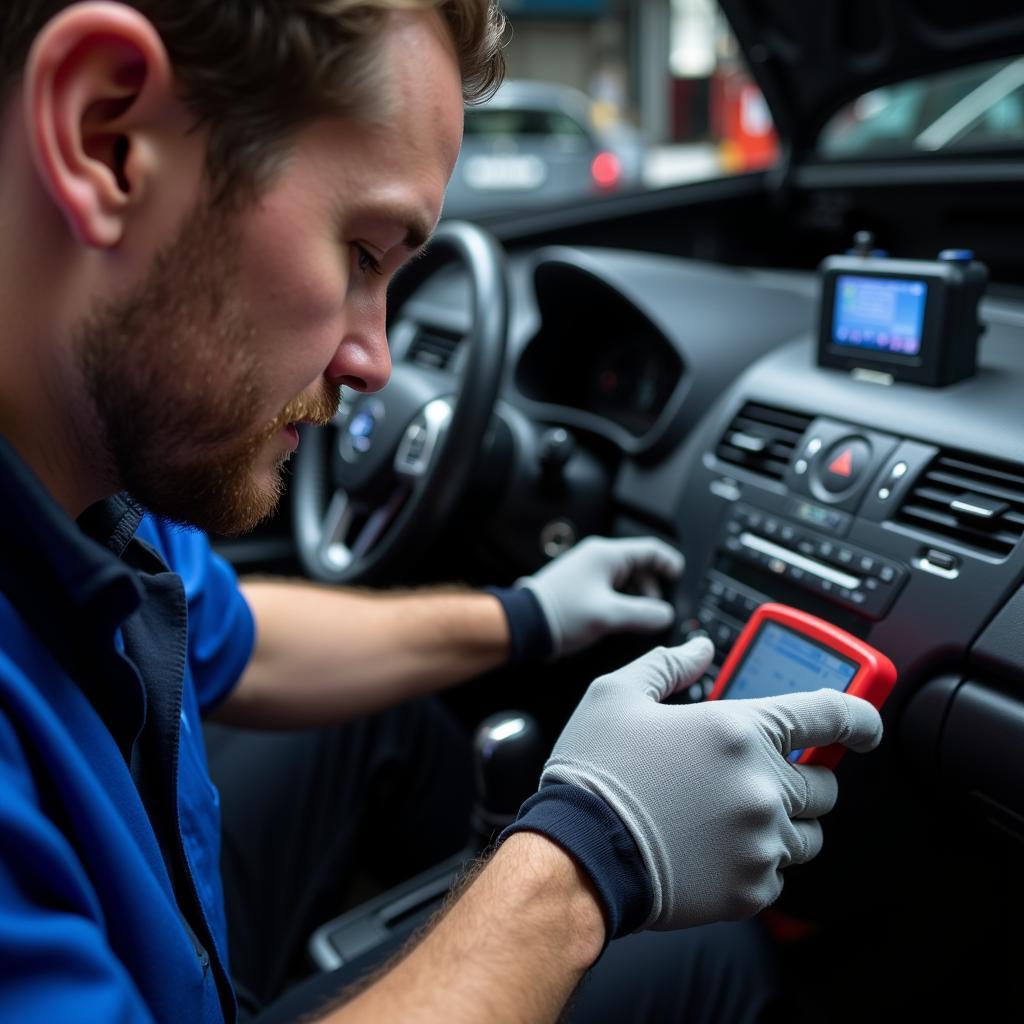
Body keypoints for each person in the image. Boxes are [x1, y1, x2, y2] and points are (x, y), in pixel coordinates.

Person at [0, 2, 884, 1022]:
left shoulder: (91, 474)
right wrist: (588, 853)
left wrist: (527, 615)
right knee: (717, 959)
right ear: (105, 137)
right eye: (362, 253)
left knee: (399, 730)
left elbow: (234, 641)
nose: (371, 361)